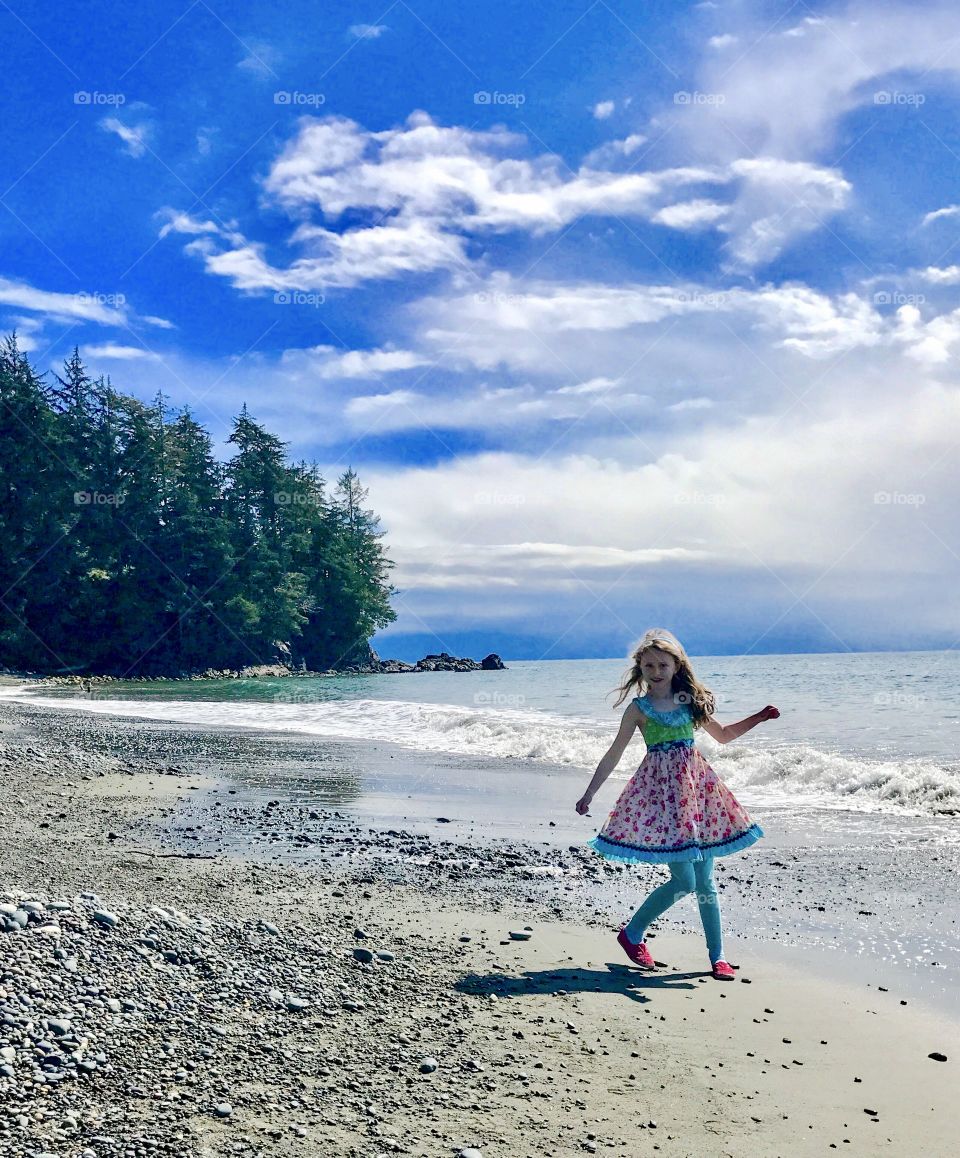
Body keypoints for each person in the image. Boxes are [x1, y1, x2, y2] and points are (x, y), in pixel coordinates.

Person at [575, 628, 779, 980]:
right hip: (662, 800)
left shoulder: (689, 700)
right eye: (649, 665)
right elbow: (614, 754)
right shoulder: (638, 709)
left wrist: (758, 718)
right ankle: (633, 933)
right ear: (640, 668)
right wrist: (590, 792)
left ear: (676, 665)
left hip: (700, 795)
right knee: (685, 880)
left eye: (662, 665)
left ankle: (718, 957)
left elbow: (724, 735)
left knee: (705, 881)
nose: (656, 671)